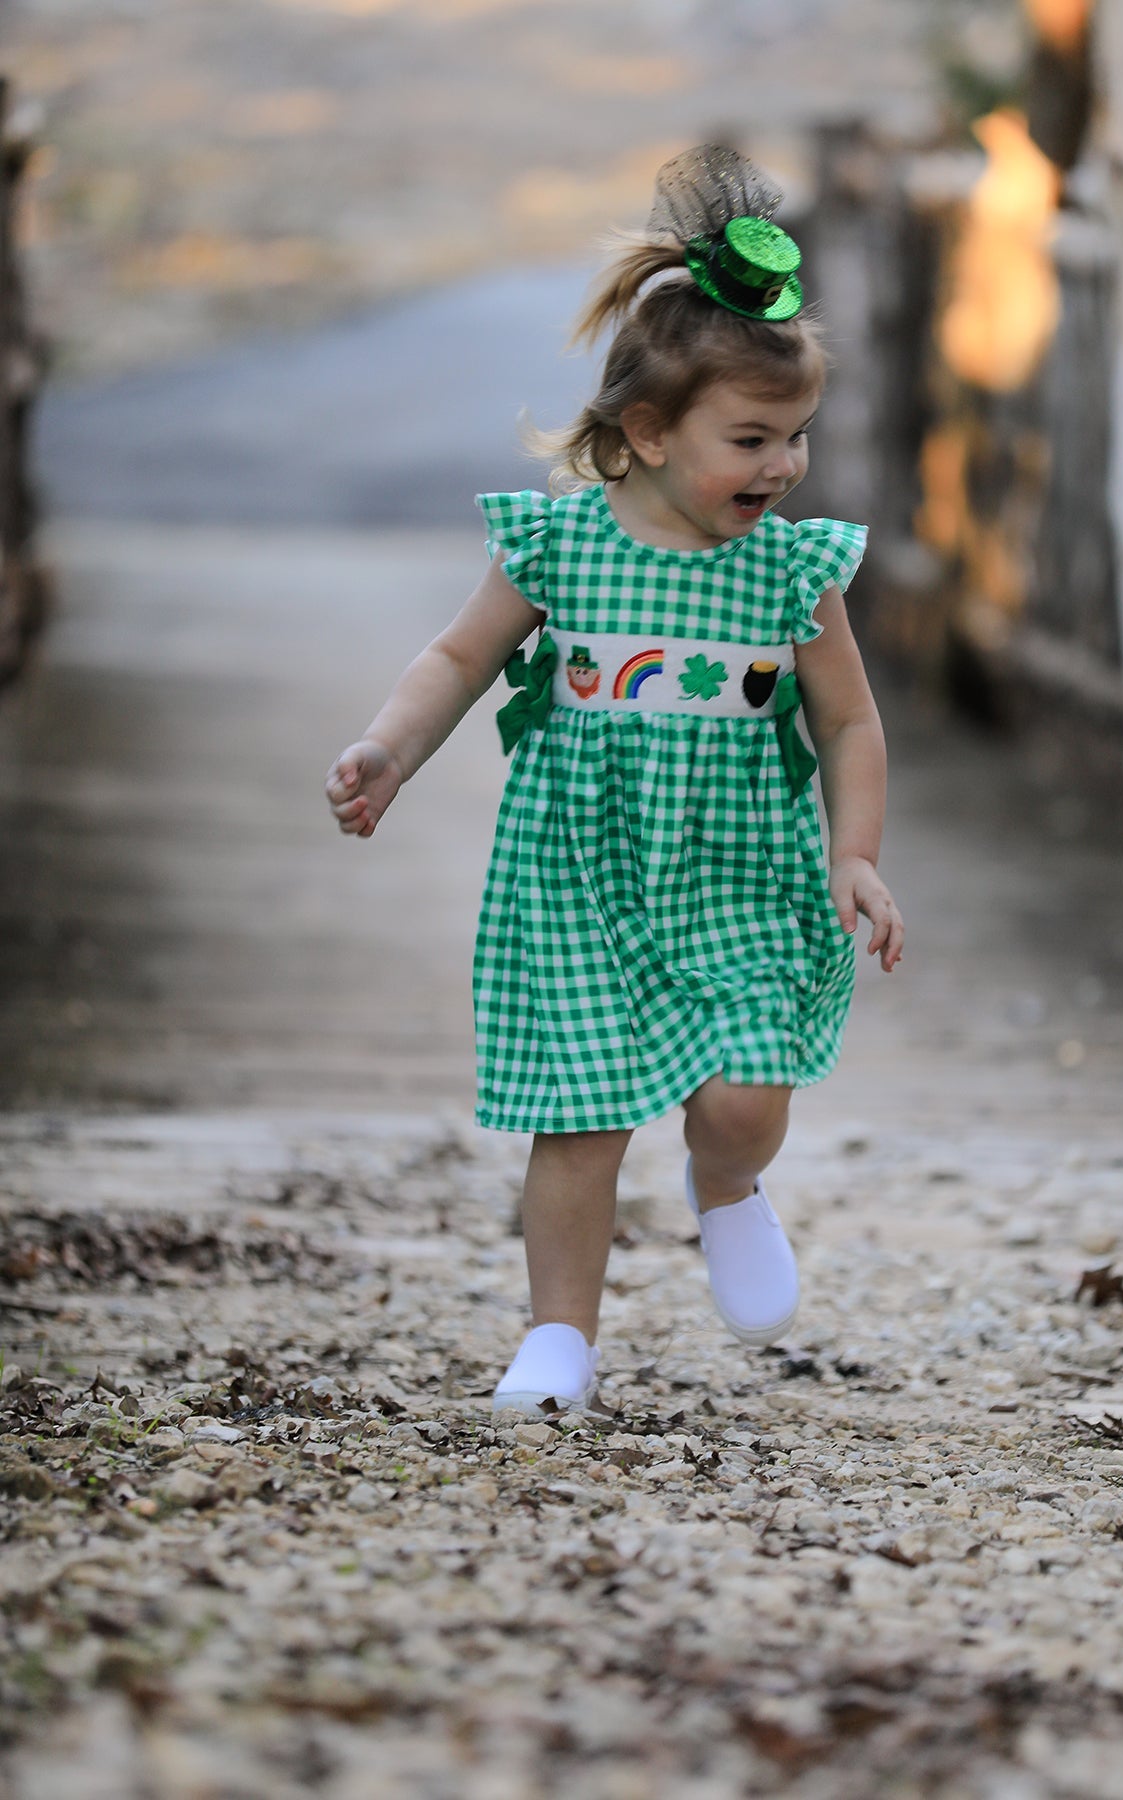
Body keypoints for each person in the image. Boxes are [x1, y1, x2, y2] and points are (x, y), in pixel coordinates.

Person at [325, 147, 904, 1416]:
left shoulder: (789, 572)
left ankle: (729, 1186)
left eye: (796, 437)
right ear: (646, 432)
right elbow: (459, 656)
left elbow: (851, 721)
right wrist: (389, 747)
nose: (785, 467)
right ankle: (559, 1342)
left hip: (740, 874)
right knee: (579, 1120)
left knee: (746, 1094)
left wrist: (853, 851)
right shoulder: (562, 544)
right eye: (751, 439)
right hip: (578, 871)